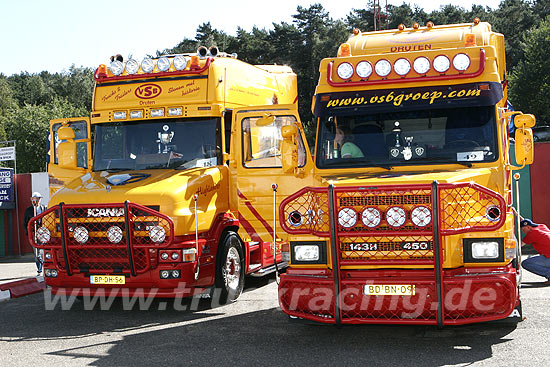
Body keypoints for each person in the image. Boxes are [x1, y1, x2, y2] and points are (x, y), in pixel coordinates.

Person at [520, 218, 550, 283]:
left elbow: (520, 244)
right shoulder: (542, 226)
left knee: (526, 263)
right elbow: (526, 223)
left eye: (522, 229)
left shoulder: (531, 233)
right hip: (548, 255)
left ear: (528, 227)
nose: (522, 232)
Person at [24, 192, 47, 275]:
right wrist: (29, 233)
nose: (37, 200)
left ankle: (45, 268)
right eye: (35, 199)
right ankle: (39, 270)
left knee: (43, 251)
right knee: (36, 252)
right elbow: (25, 223)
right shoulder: (29, 210)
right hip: (34, 234)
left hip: (43, 233)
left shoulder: (44, 208)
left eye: (38, 199)